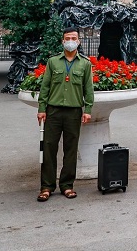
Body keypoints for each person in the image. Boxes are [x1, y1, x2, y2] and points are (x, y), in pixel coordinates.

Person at [37, 27, 94, 202]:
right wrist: (41, 108)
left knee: (70, 150)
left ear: (78, 41)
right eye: (67, 38)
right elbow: (45, 86)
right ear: (63, 41)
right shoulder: (53, 62)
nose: (70, 41)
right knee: (48, 148)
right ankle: (46, 186)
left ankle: (67, 185)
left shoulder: (84, 63)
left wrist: (88, 110)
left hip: (73, 112)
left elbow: (88, 89)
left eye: (73, 38)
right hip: (53, 111)